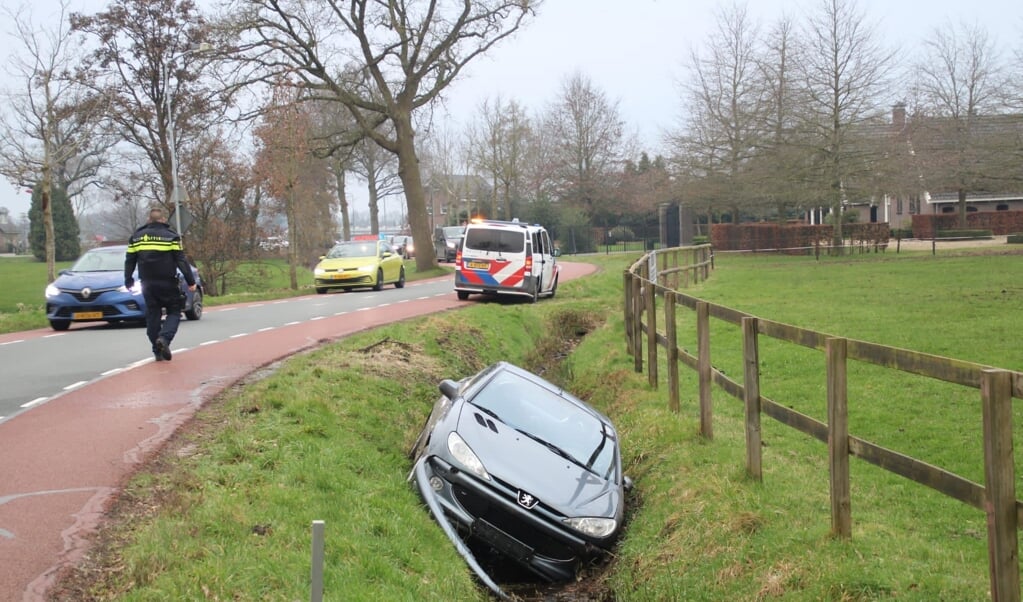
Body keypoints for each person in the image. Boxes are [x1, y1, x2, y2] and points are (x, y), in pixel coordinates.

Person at [124, 207, 196, 362]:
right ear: (163, 220)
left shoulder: (136, 237)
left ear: (149, 220)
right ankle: (164, 339)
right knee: (174, 311)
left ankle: (157, 350)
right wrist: (191, 281)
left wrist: (128, 279)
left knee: (153, 314)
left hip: (147, 284)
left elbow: (130, 260)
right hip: (168, 282)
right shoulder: (171, 237)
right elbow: (181, 260)